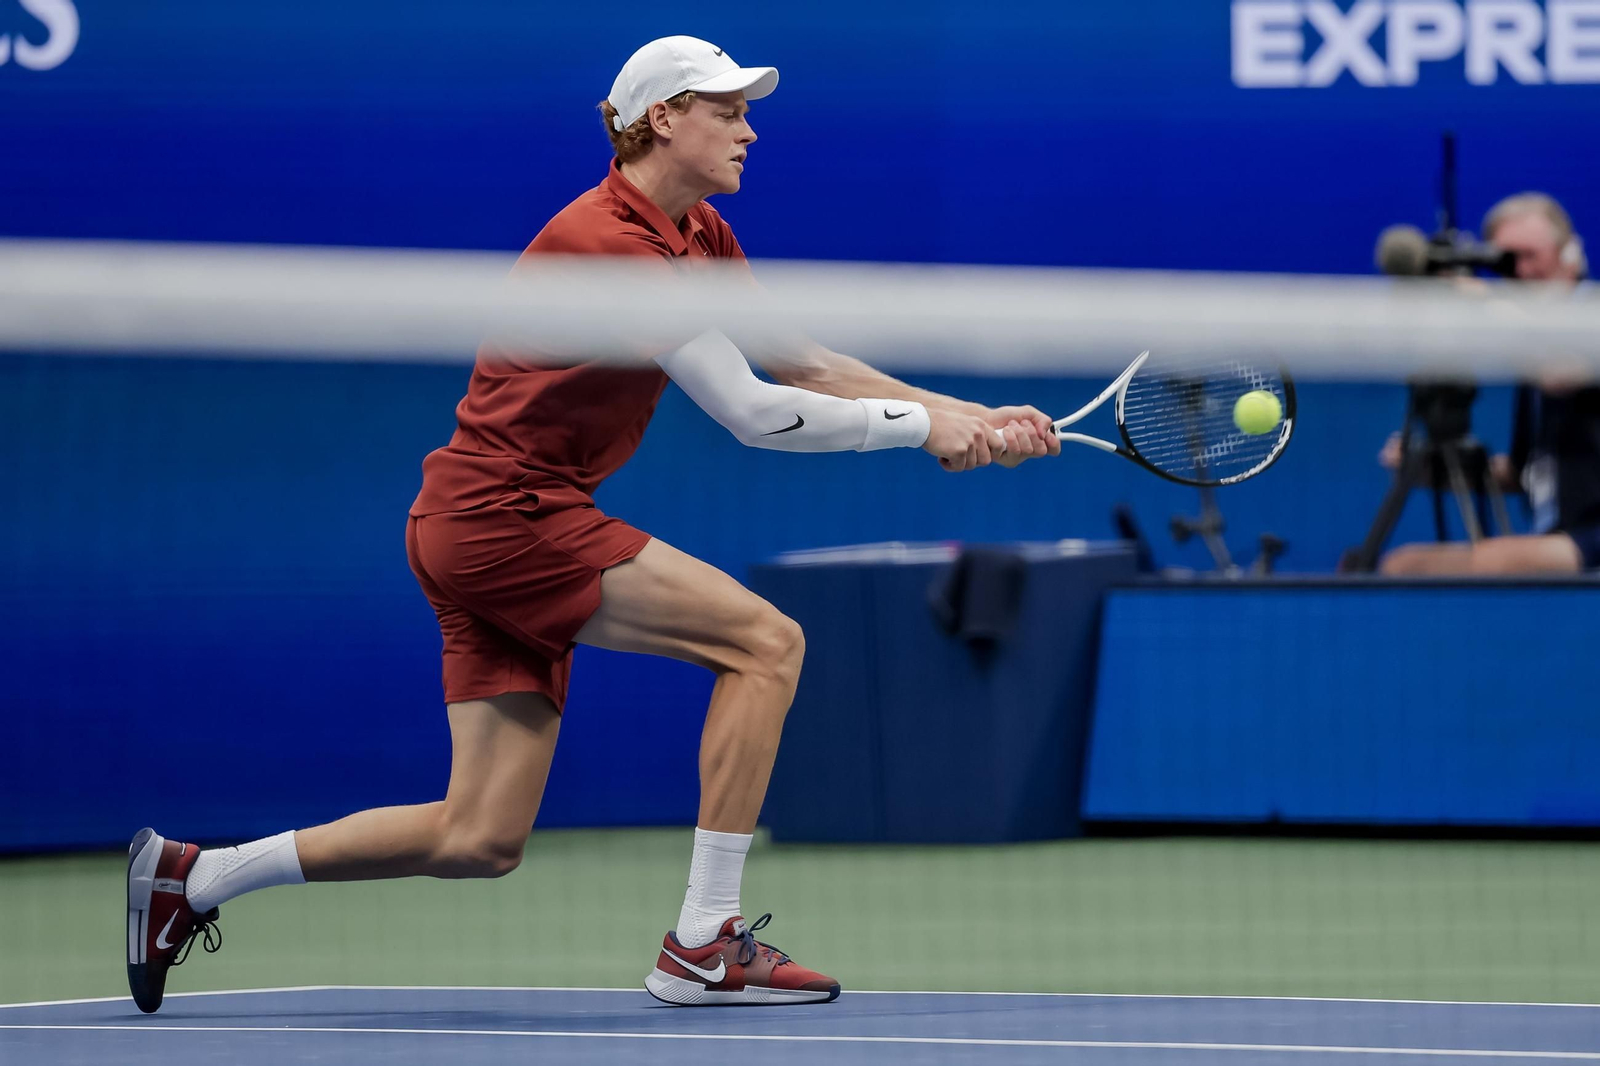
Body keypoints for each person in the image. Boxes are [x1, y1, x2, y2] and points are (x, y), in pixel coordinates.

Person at [125, 35, 1061, 1013]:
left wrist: (971, 416)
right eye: (728, 110)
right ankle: (704, 939)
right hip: (504, 517)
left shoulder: (697, 234)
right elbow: (754, 411)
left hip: (472, 524)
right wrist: (921, 430)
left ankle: (194, 877)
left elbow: (805, 364)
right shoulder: (611, 244)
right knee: (765, 644)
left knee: (477, 837)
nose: (750, 130)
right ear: (665, 118)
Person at [1379, 192, 1599, 576]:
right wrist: (1430, 470)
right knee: (1404, 563)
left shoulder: (1586, 319)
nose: (1523, 272)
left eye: (1532, 256)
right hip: (1561, 536)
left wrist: (1486, 305)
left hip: (1591, 539)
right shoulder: (1530, 346)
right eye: (1508, 262)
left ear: (1570, 255)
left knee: (1441, 565)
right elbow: (1521, 474)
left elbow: (1562, 372)